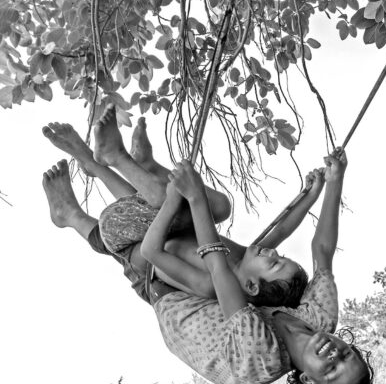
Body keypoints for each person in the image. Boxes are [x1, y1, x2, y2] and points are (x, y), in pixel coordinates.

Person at [42, 111, 374, 384]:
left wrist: (195, 195)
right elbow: (322, 253)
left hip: (177, 302)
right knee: (203, 227)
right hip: (207, 283)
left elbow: (215, 267)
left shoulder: (263, 354)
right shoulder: (319, 317)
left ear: (310, 382)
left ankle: (87, 191)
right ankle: (110, 172)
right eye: (345, 354)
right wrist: (333, 182)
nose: (334, 354)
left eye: (331, 369)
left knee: (168, 228)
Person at [43, 106, 311, 307]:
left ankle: (88, 190)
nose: (273, 252)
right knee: (219, 206)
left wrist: (176, 200)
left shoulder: (208, 283)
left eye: (274, 264)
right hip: (155, 226)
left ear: (251, 285)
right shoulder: (244, 257)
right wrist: (313, 191)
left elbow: (151, 252)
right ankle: (111, 164)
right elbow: (282, 228)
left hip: (136, 254)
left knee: (162, 201)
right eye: (281, 255)